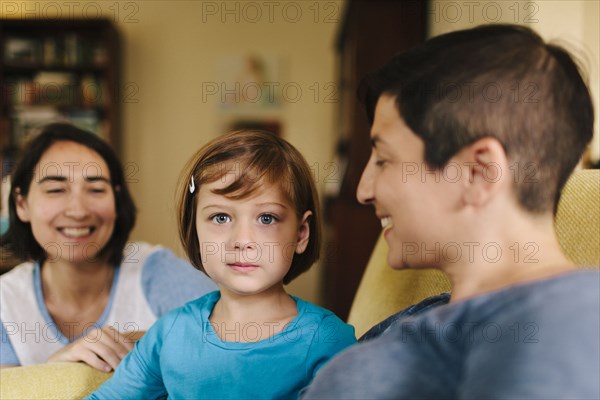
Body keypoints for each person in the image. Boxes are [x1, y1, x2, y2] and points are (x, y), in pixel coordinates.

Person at [303, 24, 599, 399]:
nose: (363, 191)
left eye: (383, 158)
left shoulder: (568, 325)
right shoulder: (412, 323)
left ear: (478, 173)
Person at [88, 130, 356, 399]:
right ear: (194, 230)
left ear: (300, 234)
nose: (241, 241)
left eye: (266, 218)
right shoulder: (169, 333)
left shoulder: (327, 339)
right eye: (220, 218)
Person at [0, 123, 217, 371]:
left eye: (96, 189)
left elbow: (228, 360)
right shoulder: (5, 303)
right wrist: (55, 372)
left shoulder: (160, 274)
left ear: (116, 199)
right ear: (21, 204)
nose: (78, 211)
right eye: (56, 189)